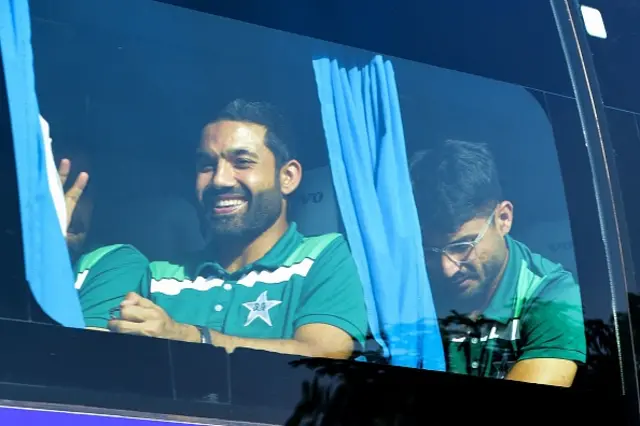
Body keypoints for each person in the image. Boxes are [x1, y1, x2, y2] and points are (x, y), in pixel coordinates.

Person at [79, 100, 368, 360]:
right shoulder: (155, 276)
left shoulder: (321, 256)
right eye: (206, 165)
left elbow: (324, 354)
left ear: (288, 177)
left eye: (242, 162)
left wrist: (191, 338)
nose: (219, 180)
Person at [410, 139, 586, 387]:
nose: (447, 269)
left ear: (503, 218)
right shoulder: (411, 282)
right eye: (429, 251)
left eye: (462, 247)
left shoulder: (551, 293)